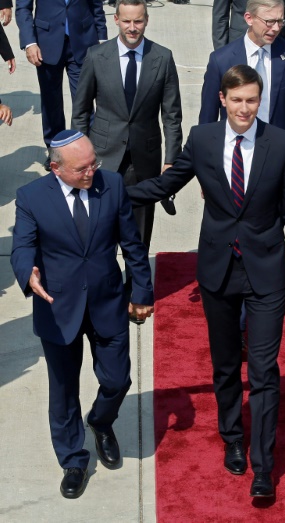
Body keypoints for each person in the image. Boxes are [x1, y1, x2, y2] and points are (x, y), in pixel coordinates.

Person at [126, 65, 285, 500]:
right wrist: (111, 191)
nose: (245, 108)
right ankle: (232, 438)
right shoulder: (203, 138)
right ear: (223, 100)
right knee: (226, 365)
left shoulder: (281, 142)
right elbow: (166, 184)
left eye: (253, 100)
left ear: (260, 100)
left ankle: (263, 468)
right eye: (238, 100)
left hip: (266, 271)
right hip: (218, 270)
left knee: (263, 370)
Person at [10, 130, 154, 499]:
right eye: (82, 168)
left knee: (118, 379)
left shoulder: (112, 185)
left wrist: (141, 290)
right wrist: (27, 273)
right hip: (58, 309)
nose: (92, 172)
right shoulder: (31, 197)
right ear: (55, 168)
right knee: (63, 391)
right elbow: (22, 246)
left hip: (107, 301)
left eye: (94, 163)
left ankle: (101, 421)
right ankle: (73, 460)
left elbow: (132, 243)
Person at [71, 0, 182, 258]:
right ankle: (106, 282)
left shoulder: (162, 58)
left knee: (139, 237)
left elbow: (172, 115)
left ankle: (136, 282)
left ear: (147, 20)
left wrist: (171, 160)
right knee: (101, 235)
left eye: (138, 21)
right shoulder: (96, 57)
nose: (132, 27)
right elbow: (81, 112)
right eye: (127, 21)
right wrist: (80, 157)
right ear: (116, 20)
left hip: (145, 161)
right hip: (103, 159)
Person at [199, 0, 285, 186]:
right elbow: (207, 119)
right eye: (269, 21)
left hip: (280, 159)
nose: (276, 28)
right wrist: (207, 171)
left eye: (280, 21)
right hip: (234, 159)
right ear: (249, 18)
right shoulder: (221, 60)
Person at [15, 0, 107, 170]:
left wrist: (102, 36)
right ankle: (56, 152)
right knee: (51, 103)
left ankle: (83, 152)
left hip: (83, 40)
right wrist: (29, 42)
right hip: (46, 43)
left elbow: (96, 5)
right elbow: (23, 8)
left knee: (84, 101)